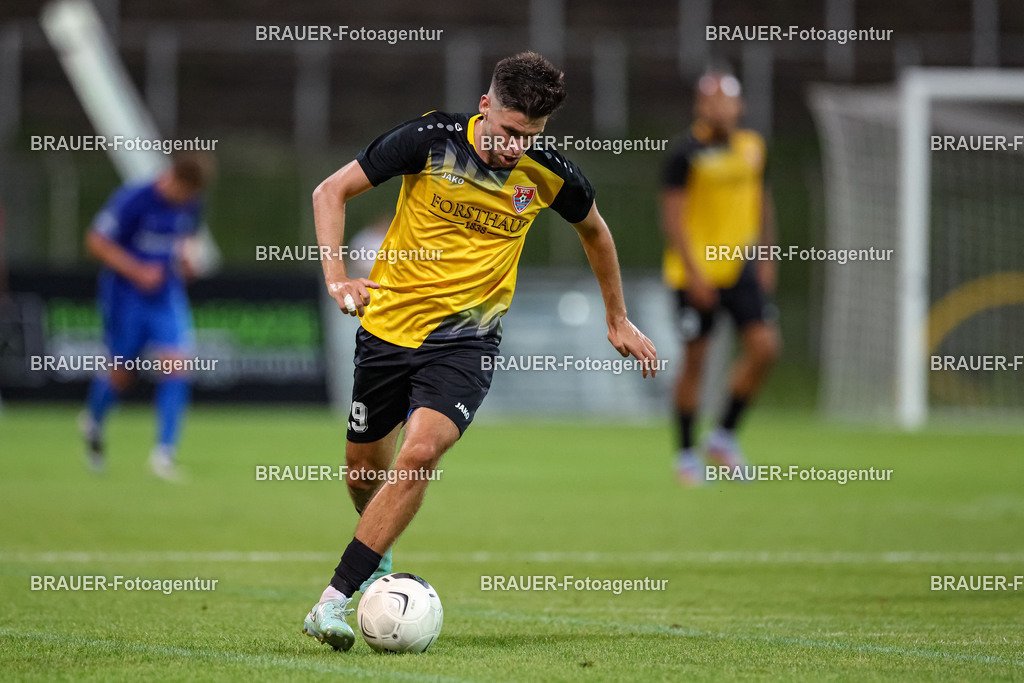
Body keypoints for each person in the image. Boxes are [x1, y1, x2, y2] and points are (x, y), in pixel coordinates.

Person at [303, 51, 658, 651]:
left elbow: (596, 231)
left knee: (419, 454)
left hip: (467, 341)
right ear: (485, 106)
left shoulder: (547, 173)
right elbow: (329, 191)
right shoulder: (429, 140)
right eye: (509, 131)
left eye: (530, 136)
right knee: (363, 472)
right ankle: (377, 551)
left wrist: (617, 318)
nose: (516, 147)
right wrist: (338, 279)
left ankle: (332, 601)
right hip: (387, 330)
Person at [660, 71, 780, 486]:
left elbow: (763, 202)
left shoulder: (753, 147)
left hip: (740, 267)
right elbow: (673, 218)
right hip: (693, 273)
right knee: (696, 360)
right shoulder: (685, 153)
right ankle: (685, 454)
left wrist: (767, 256)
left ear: (739, 106)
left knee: (765, 348)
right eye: (712, 101)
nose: (721, 109)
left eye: (727, 101)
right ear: (701, 106)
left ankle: (723, 436)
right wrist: (695, 275)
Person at [79, 152, 215, 481]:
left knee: (177, 365)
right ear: (172, 179)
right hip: (125, 297)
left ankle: (163, 455)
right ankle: (93, 419)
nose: (186, 200)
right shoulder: (134, 199)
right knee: (121, 374)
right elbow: (95, 242)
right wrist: (136, 270)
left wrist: (186, 261)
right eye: (184, 192)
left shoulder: (192, 203)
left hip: (165, 295)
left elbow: (185, 239)